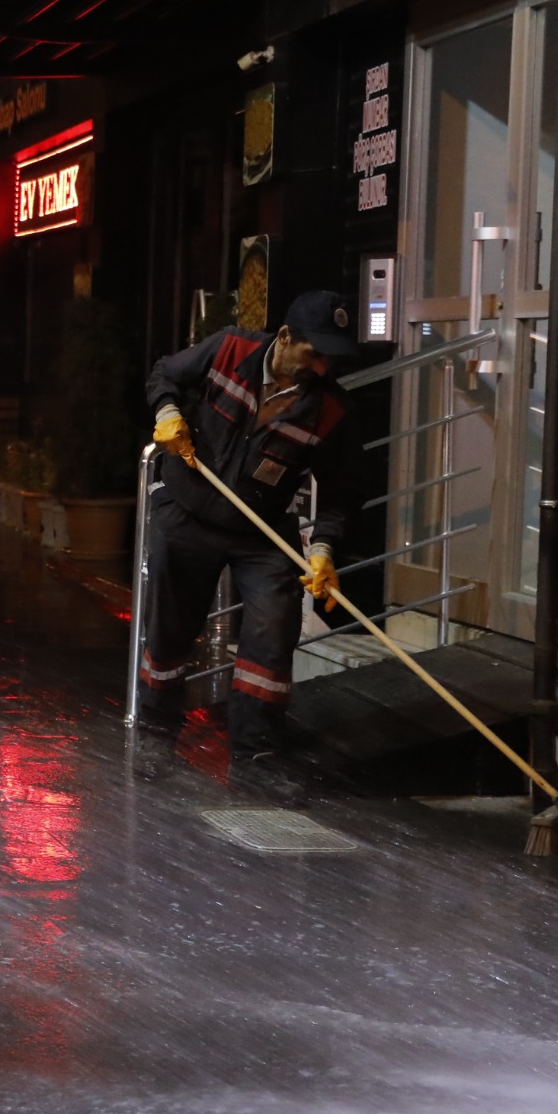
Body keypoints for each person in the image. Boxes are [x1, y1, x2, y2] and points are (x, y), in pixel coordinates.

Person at [136, 290, 360, 784]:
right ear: (285, 337)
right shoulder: (229, 348)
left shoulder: (330, 409)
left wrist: (323, 550)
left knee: (273, 628)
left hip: (262, 530)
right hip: (188, 510)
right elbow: (164, 374)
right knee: (170, 626)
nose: (322, 368)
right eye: (314, 354)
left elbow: (341, 492)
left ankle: (256, 753)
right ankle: (155, 732)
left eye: (331, 358)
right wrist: (167, 412)